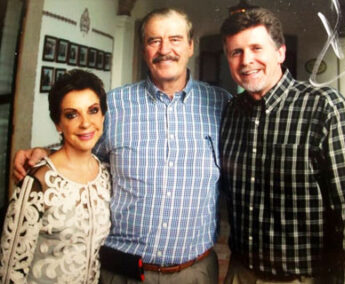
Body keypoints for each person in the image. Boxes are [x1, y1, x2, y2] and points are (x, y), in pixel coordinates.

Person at [13, 8, 231, 284]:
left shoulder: (222, 105)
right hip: (123, 272)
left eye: (175, 39)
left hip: (195, 272)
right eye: (154, 41)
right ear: (143, 50)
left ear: (190, 46)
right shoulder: (113, 106)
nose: (165, 49)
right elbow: (79, 152)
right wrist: (44, 153)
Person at [219, 8, 345, 284]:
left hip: (303, 279)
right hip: (240, 274)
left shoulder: (324, 107)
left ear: (280, 52)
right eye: (236, 52)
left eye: (257, 48)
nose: (247, 60)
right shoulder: (230, 112)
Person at [0, 69, 111, 283]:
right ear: (58, 124)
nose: (85, 123)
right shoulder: (37, 183)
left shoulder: (105, 175)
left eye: (93, 110)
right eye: (72, 114)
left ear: (103, 115)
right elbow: (10, 271)